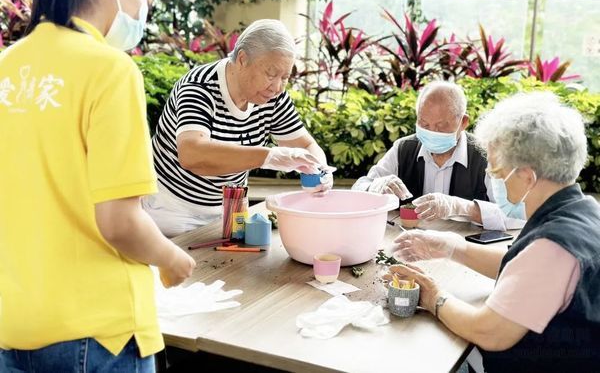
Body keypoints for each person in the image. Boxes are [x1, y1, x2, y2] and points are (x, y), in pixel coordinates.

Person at [0, 0, 195, 371]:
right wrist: (170, 258)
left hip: (13, 324)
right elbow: (120, 222)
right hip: (97, 334)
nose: (144, 14)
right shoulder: (110, 70)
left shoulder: (6, 66)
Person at [390, 92, 600, 372]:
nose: (494, 179)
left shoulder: (554, 247)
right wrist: (451, 247)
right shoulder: (583, 211)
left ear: (527, 176)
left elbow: (488, 331)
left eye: (498, 173)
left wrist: (433, 295)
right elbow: (521, 267)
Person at [144, 19, 333, 237]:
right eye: (271, 75)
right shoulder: (199, 87)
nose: (278, 87)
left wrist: (320, 169)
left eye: (285, 77)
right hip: (170, 211)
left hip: (229, 210)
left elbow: (305, 144)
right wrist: (269, 156)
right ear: (242, 59)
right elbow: (192, 155)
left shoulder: (272, 96)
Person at [352, 81, 525, 230]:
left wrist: (462, 207)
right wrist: (375, 187)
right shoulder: (404, 148)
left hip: (465, 254)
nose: (432, 132)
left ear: (463, 122)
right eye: (424, 124)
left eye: (441, 126)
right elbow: (358, 189)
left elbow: (516, 217)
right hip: (410, 246)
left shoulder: (486, 156)